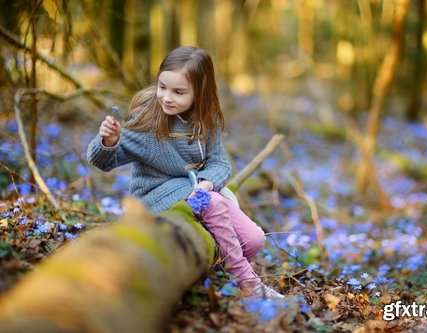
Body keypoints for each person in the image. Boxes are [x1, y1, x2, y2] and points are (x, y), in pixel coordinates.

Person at [87, 46, 284, 299]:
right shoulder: (148, 121)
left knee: (254, 239)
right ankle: (250, 285)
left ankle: (212, 270)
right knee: (213, 203)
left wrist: (205, 183)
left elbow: (220, 164)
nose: (167, 97)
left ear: (199, 93)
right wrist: (109, 141)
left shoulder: (206, 121)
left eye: (178, 92)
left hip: (197, 191)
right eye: (162, 87)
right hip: (156, 195)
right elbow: (103, 162)